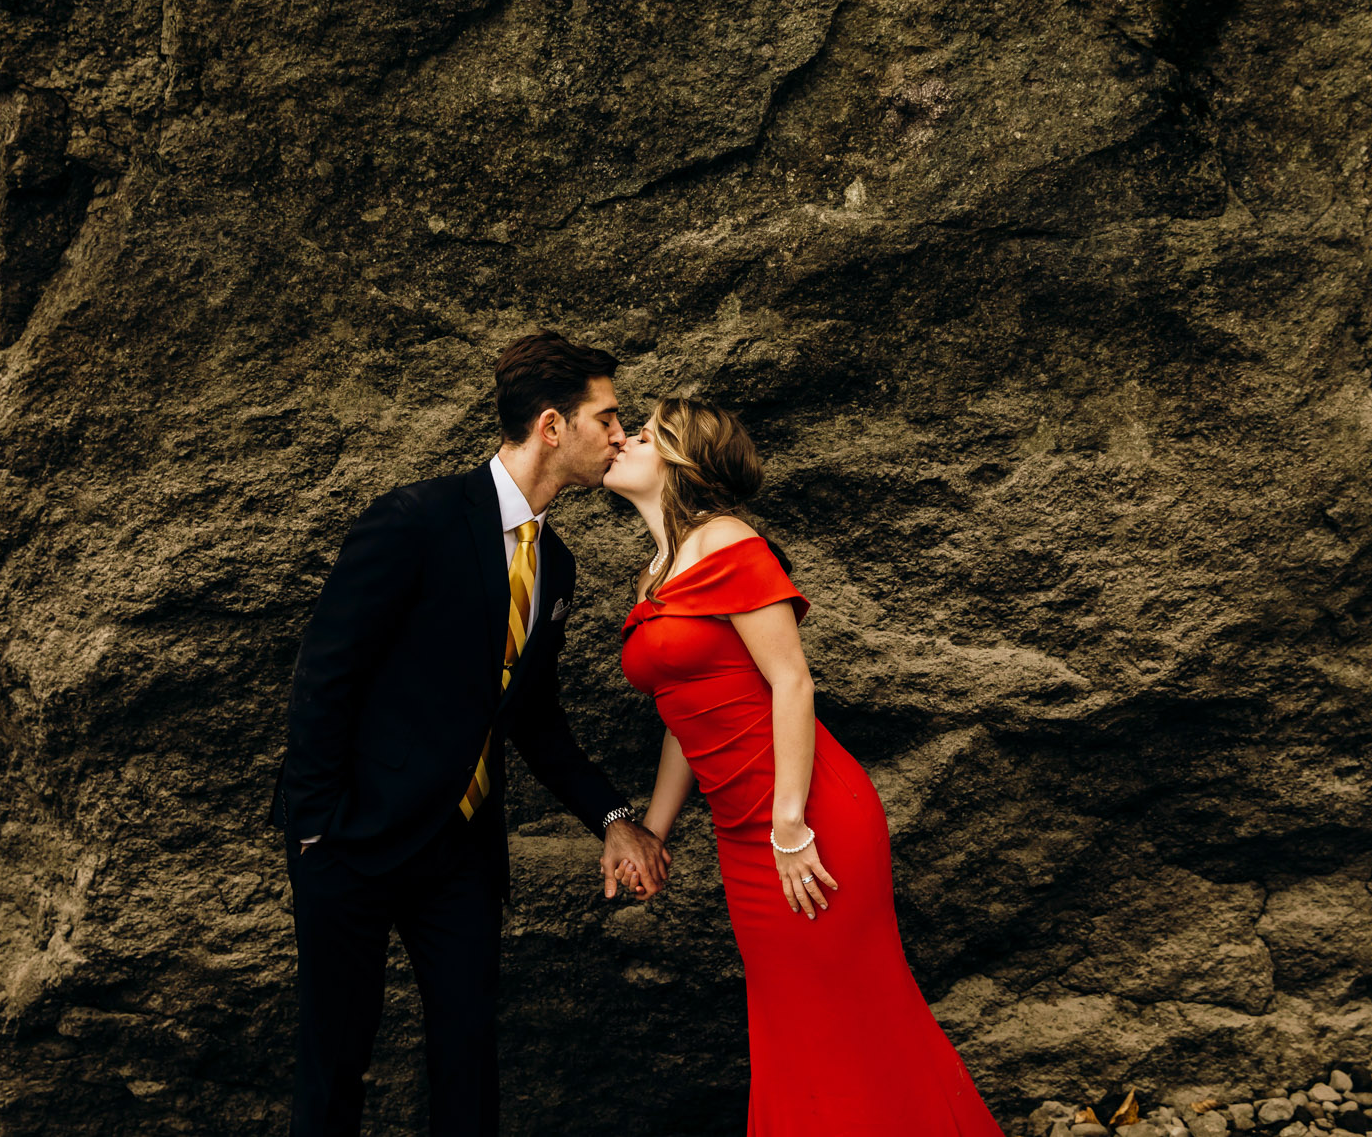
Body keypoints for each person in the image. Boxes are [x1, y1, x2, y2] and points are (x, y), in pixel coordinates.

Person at [269, 331, 673, 1137]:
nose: (621, 435)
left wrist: (613, 815)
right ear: (554, 426)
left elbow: (533, 718)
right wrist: (316, 826)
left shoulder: (553, 568)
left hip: (459, 858)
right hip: (351, 839)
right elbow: (326, 672)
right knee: (335, 1062)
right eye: (609, 418)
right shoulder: (415, 518)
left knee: (469, 1058)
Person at [604, 396, 1005, 1136]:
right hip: (744, 836)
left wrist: (788, 824)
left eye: (643, 433)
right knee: (794, 1025)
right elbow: (686, 716)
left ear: (683, 458)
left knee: (849, 1018)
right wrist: (655, 831)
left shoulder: (729, 542)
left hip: (809, 818)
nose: (620, 440)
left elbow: (792, 681)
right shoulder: (655, 573)